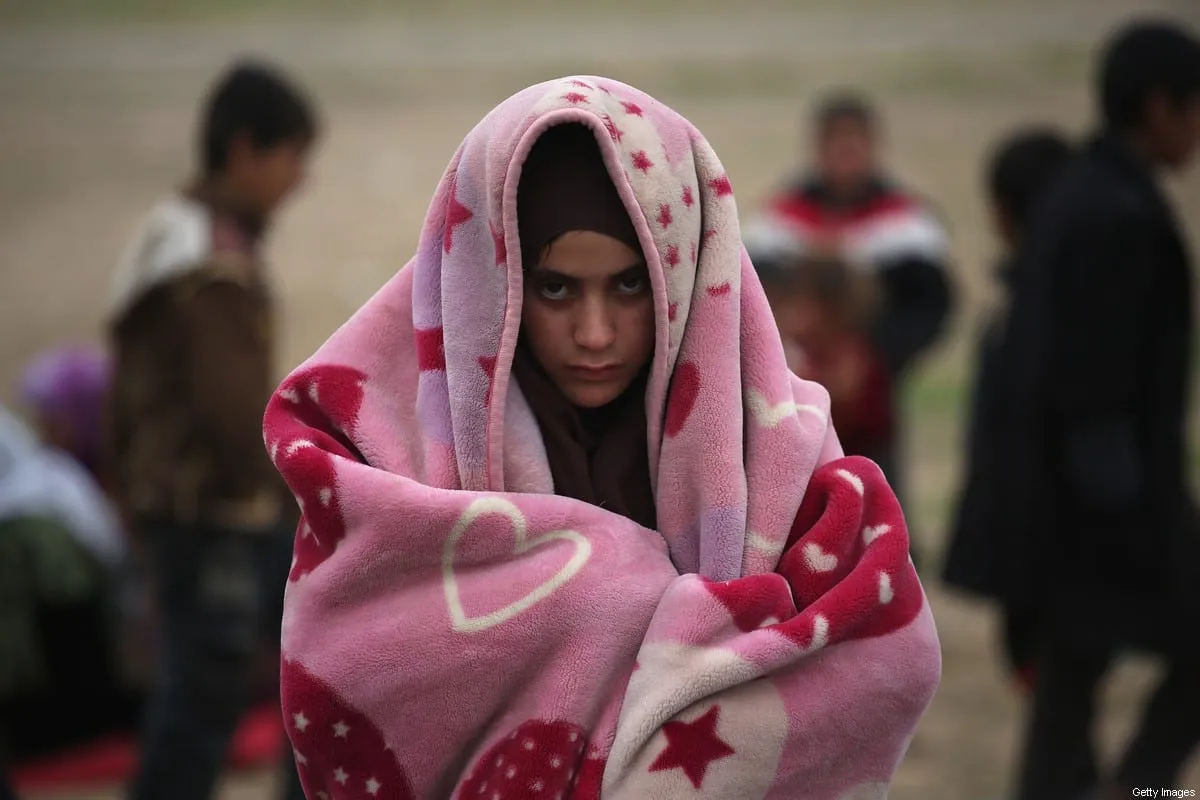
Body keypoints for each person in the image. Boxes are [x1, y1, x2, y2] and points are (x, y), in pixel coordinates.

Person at [264, 77, 939, 799]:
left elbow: (886, 665)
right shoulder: (388, 461)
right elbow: (344, 677)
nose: (595, 335)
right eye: (555, 289)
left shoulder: (776, 446)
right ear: (496, 282)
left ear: (682, 277)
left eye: (628, 287)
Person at [975, 22, 1200, 800]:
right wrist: (1138, 524)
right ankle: (1143, 790)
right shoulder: (1118, 215)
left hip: (1064, 508)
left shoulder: (1081, 195)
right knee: (1070, 703)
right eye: (1192, 107)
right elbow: (1093, 389)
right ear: (1158, 107)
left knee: (1064, 709)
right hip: (1099, 511)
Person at [106, 59, 318, 800]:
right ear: (246, 150)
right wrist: (301, 496)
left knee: (289, 665)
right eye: (294, 156)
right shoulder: (214, 264)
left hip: (175, 502)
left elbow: (126, 391)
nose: (301, 178)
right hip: (215, 513)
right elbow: (232, 414)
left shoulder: (174, 230)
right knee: (212, 694)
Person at [744, 92, 954, 516]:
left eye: (854, 144)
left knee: (880, 500)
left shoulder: (907, 225)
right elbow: (757, 304)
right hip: (798, 386)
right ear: (817, 148)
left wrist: (877, 359)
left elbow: (930, 307)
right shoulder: (778, 225)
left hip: (873, 388)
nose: (845, 155)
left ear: (873, 147)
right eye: (834, 144)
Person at [758, 251, 893, 464]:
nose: (791, 315)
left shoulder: (850, 359)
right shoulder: (793, 351)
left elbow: (844, 404)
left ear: (831, 309)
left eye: (802, 305)